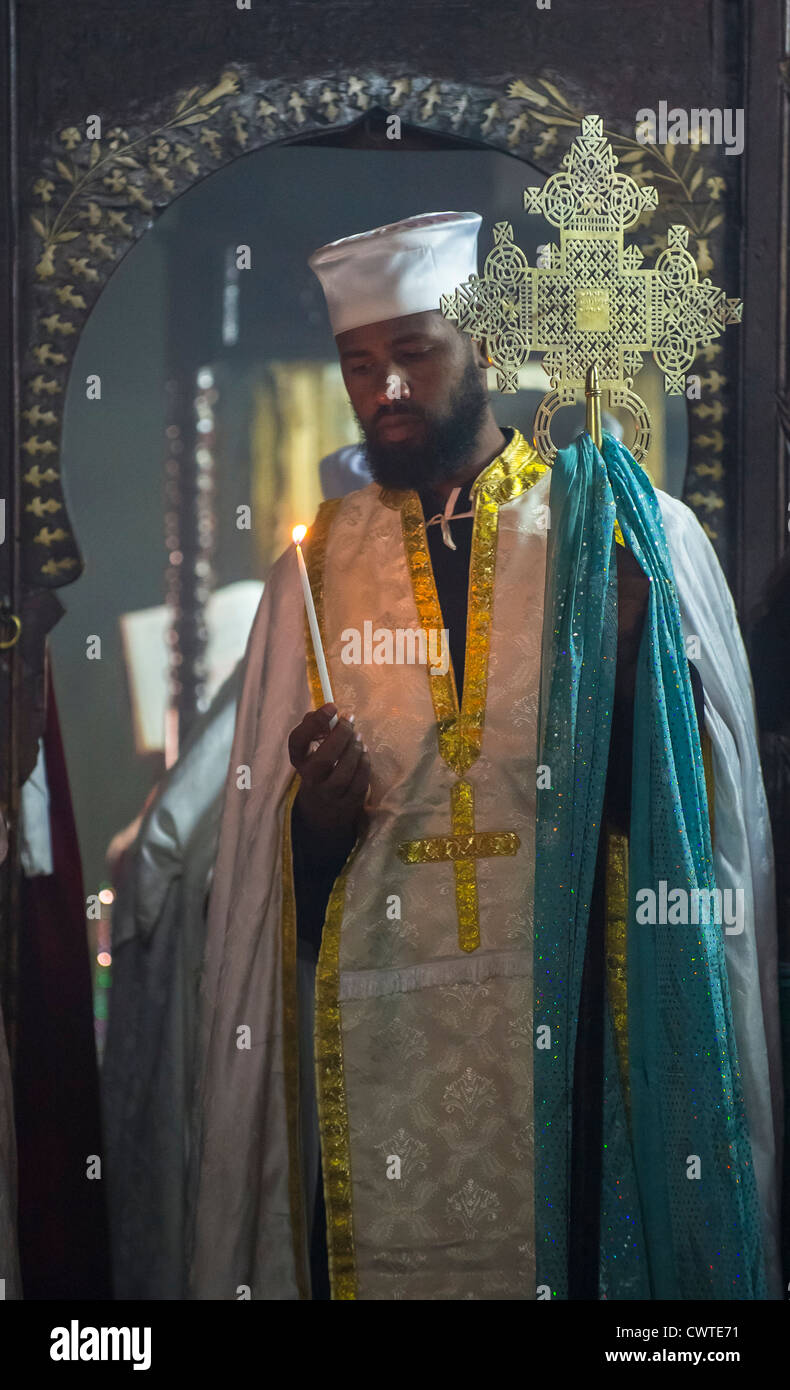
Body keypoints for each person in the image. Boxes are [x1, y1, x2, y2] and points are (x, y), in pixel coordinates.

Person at [189, 212, 781, 1300]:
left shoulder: (624, 530)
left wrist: (638, 676)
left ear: (484, 348)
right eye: (359, 366)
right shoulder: (313, 577)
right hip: (385, 1037)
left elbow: (695, 833)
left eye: (414, 352)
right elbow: (270, 889)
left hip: (569, 1026)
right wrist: (316, 810)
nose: (387, 390)